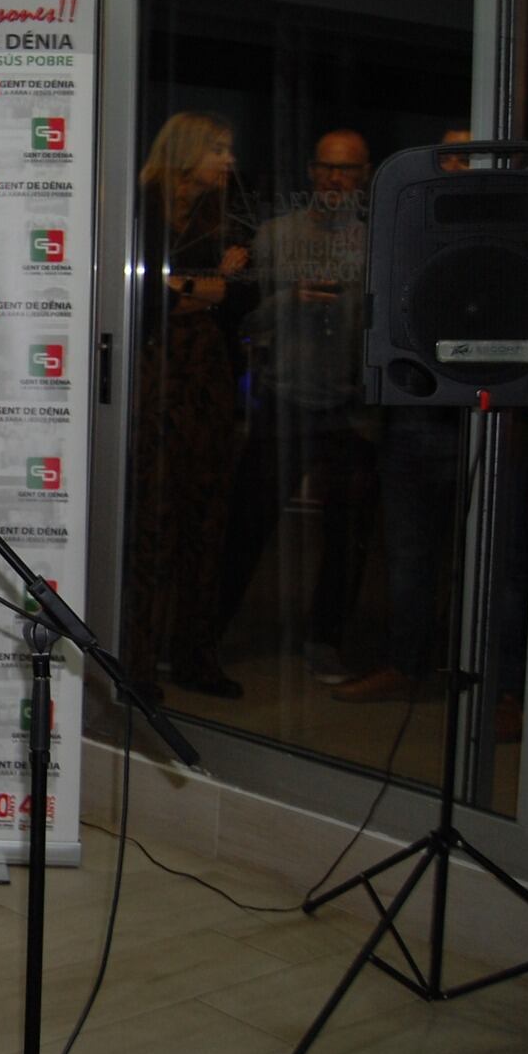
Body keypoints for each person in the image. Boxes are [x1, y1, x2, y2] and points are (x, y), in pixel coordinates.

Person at [215, 130, 375, 682]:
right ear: (312, 171)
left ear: (364, 176)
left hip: (351, 411)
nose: (335, 178)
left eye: (347, 170)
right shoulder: (276, 237)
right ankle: (207, 632)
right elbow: (243, 320)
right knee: (247, 524)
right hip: (283, 401)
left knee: (347, 538)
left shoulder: (378, 243)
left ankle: (326, 639)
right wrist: (289, 300)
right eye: (327, 167)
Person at [124, 111, 256, 700]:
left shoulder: (227, 211)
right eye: (219, 148)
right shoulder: (140, 206)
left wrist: (190, 289)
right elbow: (141, 293)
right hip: (151, 383)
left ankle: (196, 656)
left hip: (209, 383)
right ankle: (139, 663)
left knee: (208, 518)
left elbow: (239, 293)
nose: (228, 161)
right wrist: (196, 287)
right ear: (187, 151)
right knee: (151, 524)